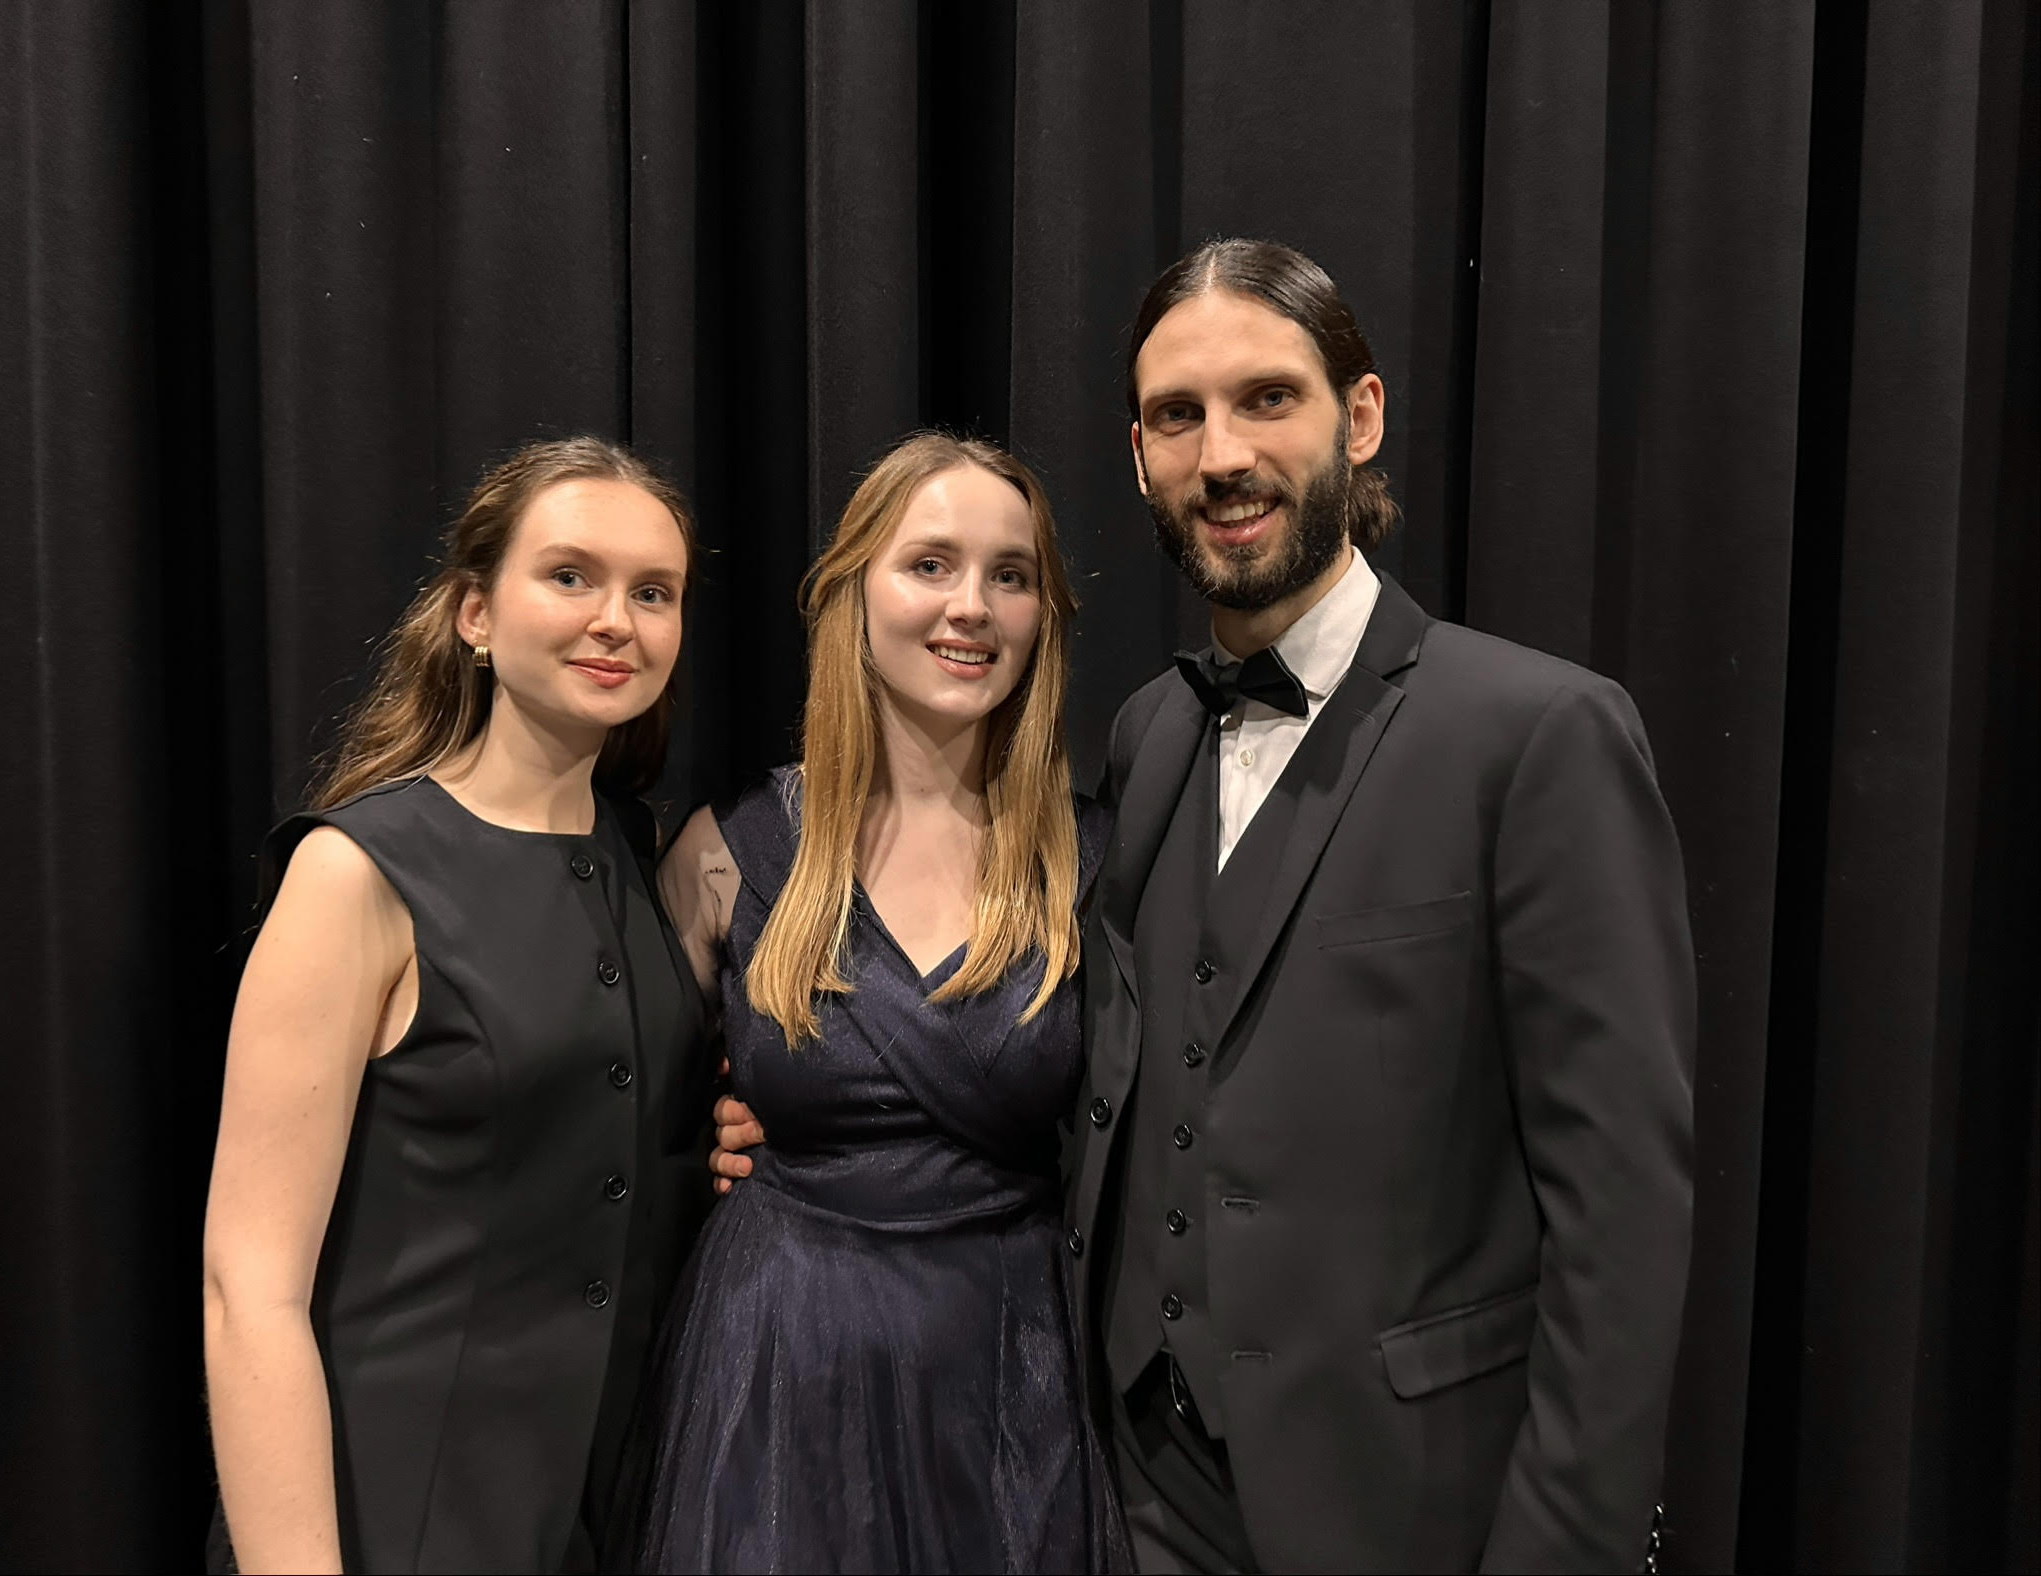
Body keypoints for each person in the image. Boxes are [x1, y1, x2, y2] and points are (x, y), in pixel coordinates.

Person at [718, 241, 1696, 1573]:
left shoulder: (1539, 733)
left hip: (1408, 1502)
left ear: (1360, 417)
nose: (1221, 454)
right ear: (1139, 457)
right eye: (1177, 416)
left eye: (1267, 399)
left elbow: (1622, 1211)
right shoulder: (1151, 736)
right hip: (1130, 1492)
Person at [604, 433, 1130, 1573]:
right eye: (930, 564)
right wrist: (701, 1151)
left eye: (1010, 574)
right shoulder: (732, 853)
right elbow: (619, 1134)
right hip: (773, 1383)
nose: (972, 605)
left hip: (1014, 1391)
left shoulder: (1098, 863)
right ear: (854, 592)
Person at [202, 437, 713, 1574]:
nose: (616, 620)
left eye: (654, 592)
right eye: (570, 576)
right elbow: (249, 1289)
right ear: (474, 613)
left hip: (605, 1515)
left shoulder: (643, 859)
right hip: (393, 1519)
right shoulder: (356, 873)